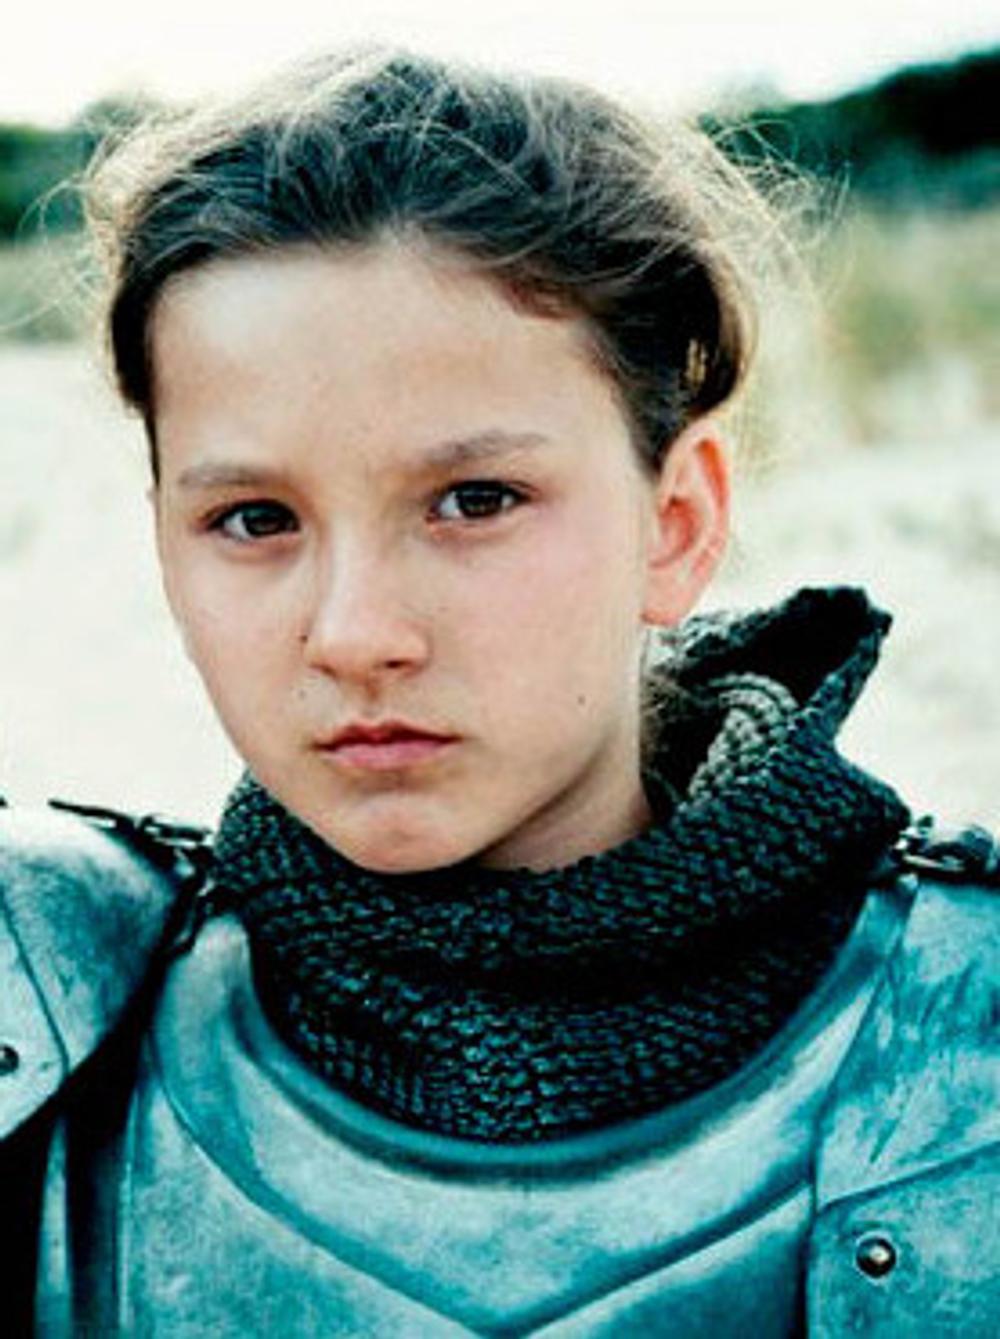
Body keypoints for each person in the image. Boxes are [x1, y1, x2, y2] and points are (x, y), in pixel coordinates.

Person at [1, 46, 997, 1337]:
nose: (353, 636)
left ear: (679, 523)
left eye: (475, 501)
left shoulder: (963, 1036)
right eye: (254, 519)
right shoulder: (47, 1009)